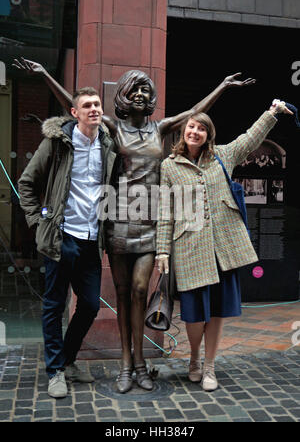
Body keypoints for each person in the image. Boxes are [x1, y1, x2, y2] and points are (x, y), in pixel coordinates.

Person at [13, 57, 255, 393]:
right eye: (134, 88)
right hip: (117, 224)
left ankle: (140, 363)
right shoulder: (113, 128)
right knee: (124, 294)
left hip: (149, 225)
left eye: (145, 88)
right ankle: (127, 366)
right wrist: (44, 77)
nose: (140, 93)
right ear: (124, 95)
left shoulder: (160, 128)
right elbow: (77, 106)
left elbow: (194, 113)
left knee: (141, 291)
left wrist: (223, 88)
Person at [156, 99, 292, 392]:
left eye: (202, 129)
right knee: (193, 314)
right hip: (189, 248)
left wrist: (271, 112)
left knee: (216, 311)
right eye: (192, 126)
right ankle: (193, 358)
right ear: (184, 131)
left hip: (223, 249)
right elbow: (165, 211)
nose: (195, 132)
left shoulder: (222, 156)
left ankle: (209, 366)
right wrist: (162, 251)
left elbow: (249, 139)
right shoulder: (169, 166)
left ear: (208, 135)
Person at [18, 87, 116, 398]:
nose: (94, 109)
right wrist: (38, 222)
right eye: (87, 105)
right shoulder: (57, 143)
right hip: (61, 238)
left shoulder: (107, 144)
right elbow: (27, 184)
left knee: (88, 305)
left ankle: (68, 359)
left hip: (90, 239)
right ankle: (55, 371)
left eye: (97, 104)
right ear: (74, 113)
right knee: (54, 305)